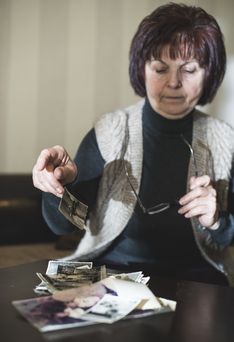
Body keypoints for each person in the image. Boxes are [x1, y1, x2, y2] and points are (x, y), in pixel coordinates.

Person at [32, 3, 234, 285]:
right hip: (112, 273)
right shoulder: (110, 130)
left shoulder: (224, 139)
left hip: (196, 278)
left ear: (209, 73)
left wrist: (216, 220)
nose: (173, 83)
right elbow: (62, 226)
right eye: (160, 68)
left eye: (189, 70)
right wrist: (55, 187)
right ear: (142, 69)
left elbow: (228, 233)